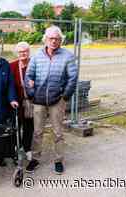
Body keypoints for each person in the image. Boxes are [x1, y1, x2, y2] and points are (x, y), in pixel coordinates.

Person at [25, 26, 78, 174]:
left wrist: (65, 96)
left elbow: (73, 78)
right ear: (45, 39)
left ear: (61, 40)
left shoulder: (67, 56)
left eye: (57, 39)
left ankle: (59, 160)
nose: (54, 41)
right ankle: (35, 159)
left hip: (57, 101)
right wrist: (31, 93)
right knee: (37, 132)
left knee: (58, 132)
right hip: (39, 100)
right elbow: (29, 75)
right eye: (51, 38)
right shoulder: (37, 56)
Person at [9, 41, 38, 173]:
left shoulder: (35, 64)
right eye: (20, 52)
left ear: (29, 52)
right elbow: (9, 84)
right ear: (17, 53)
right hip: (17, 102)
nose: (23, 54)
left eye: (25, 51)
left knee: (29, 126)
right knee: (16, 126)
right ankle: (16, 148)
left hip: (31, 102)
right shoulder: (12, 66)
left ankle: (27, 149)